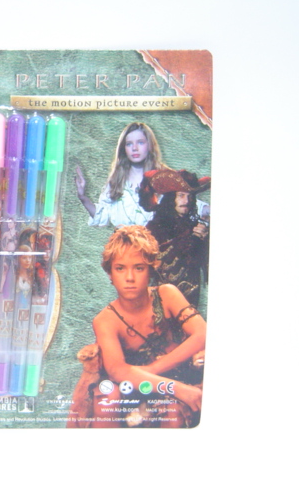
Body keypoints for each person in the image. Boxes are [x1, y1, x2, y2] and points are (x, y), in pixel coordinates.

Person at [68, 226, 206, 428]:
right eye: (120, 268)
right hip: (135, 388)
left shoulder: (166, 294)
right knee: (106, 397)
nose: (130, 278)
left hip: (180, 375)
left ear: (151, 270)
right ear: (110, 273)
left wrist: (152, 369)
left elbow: (202, 334)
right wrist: (175, 388)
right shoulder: (105, 320)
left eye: (139, 268)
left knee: (173, 412)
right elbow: (118, 371)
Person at [139, 169, 210, 305]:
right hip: (164, 298)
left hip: (191, 298)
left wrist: (205, 240)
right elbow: (163, 263)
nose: (186, 201)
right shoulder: (156, 227)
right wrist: (193, 239)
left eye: (190, 196)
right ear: (171, 199)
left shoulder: (194, 225)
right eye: (181, 195)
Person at [75, 122, 168, 227]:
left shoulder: (164, 179)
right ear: (124, 148)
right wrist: (83, 197)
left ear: (149, 145)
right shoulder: (116, 181)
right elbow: (103, 215)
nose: (134, 148)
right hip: (122, 237)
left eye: (140, 142)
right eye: (129, 144)